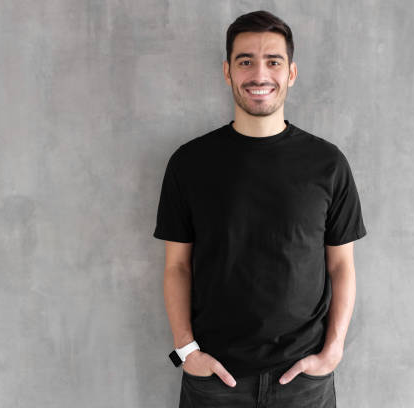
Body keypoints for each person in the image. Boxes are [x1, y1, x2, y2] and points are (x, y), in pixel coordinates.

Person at [153, 9, 367, 408]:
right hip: (215, 378)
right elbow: (177, 266)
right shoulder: (190, 163)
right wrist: (187, 351)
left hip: (303, 380)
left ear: (291, 73)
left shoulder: (327, 164)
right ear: (227, 71)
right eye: (245, 61)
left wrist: (333, 350)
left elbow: (341, 266)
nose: (259, 74)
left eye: (273, 61)